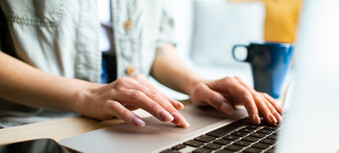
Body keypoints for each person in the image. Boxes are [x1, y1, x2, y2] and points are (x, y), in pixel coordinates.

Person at [0, 0, 282, 129]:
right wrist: (86, 95)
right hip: (32, 120)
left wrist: (196, 84)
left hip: (122, 116)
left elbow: (158, 47)